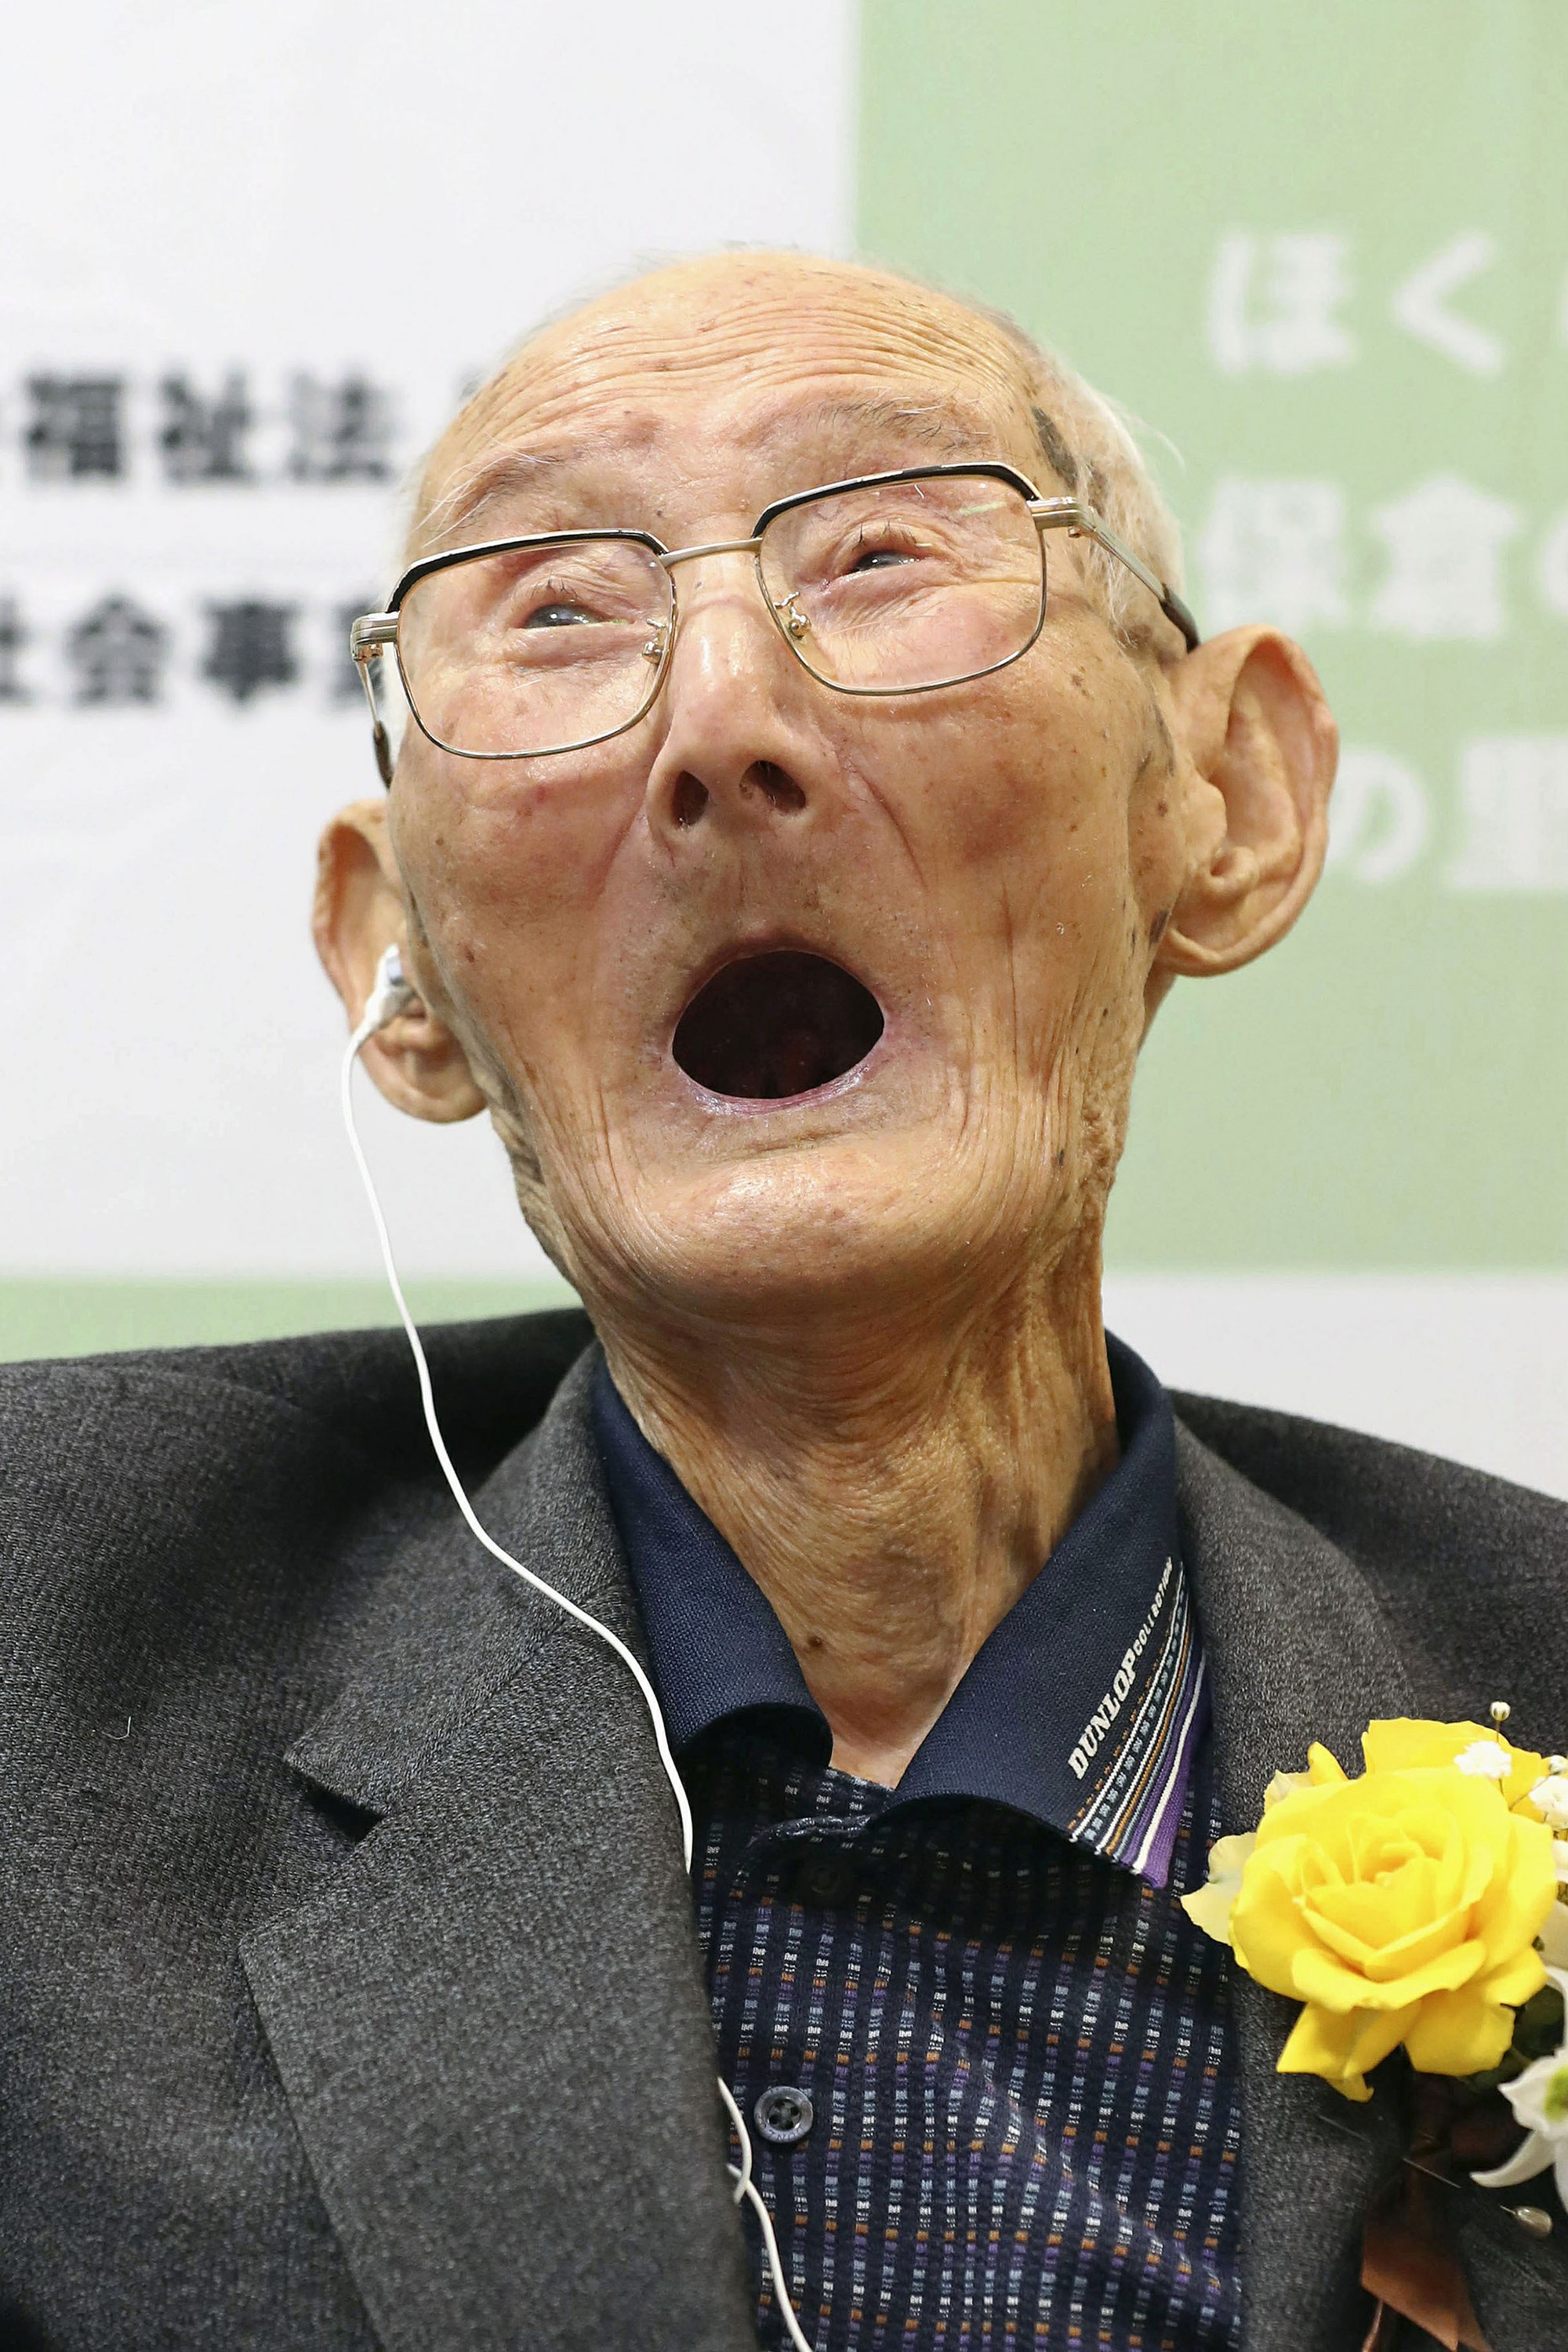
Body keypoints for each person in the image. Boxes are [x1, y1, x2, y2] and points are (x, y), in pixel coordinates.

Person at [2, 252, 1563, 2352]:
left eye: (884, 550)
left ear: (1229, 803)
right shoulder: (52, 1678)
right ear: (397, 968)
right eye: (558, 609)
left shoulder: (1526, 1680)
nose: (726, 724)